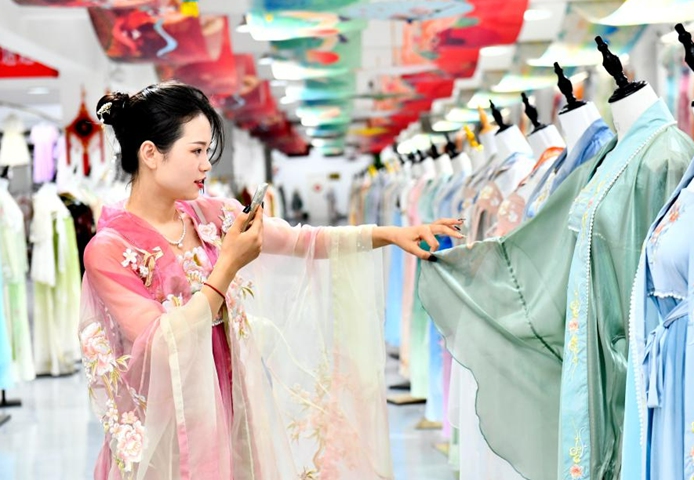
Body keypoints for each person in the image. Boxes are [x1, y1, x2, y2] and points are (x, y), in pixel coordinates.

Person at [80, 82, 463, 479]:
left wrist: (388, 235)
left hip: (231, 407)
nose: (206, 165)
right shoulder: (110, 250)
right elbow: (162, 344)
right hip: (166, 429)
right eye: (195, 151)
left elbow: (301, 239)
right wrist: (226, 266)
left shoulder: (213, 216)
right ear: (150, 154)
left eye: (206, 152)